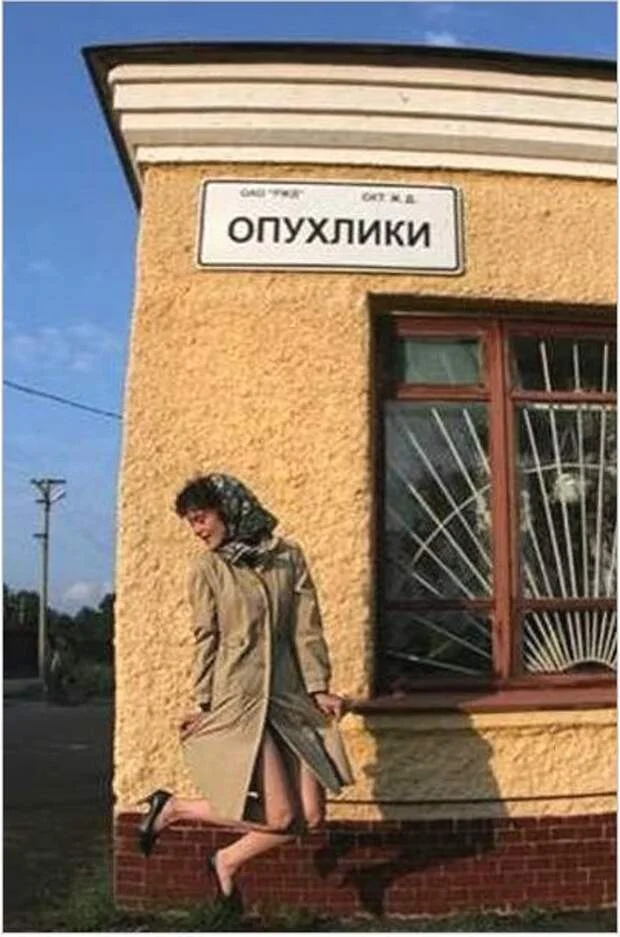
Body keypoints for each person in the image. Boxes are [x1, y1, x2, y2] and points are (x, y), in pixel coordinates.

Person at [137, 473, 354, 904]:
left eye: (201, 518)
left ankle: (225, 859)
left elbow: (306, 627)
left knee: (312, 816)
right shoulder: (207, 568)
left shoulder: (287, 557)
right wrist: (206, 705)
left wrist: (318, 687)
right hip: (240, 701)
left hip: (290, 698)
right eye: (191, 523)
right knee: (281, 815)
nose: (197, 530)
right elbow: (207, 638)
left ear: (227, 510)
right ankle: (175, 809)